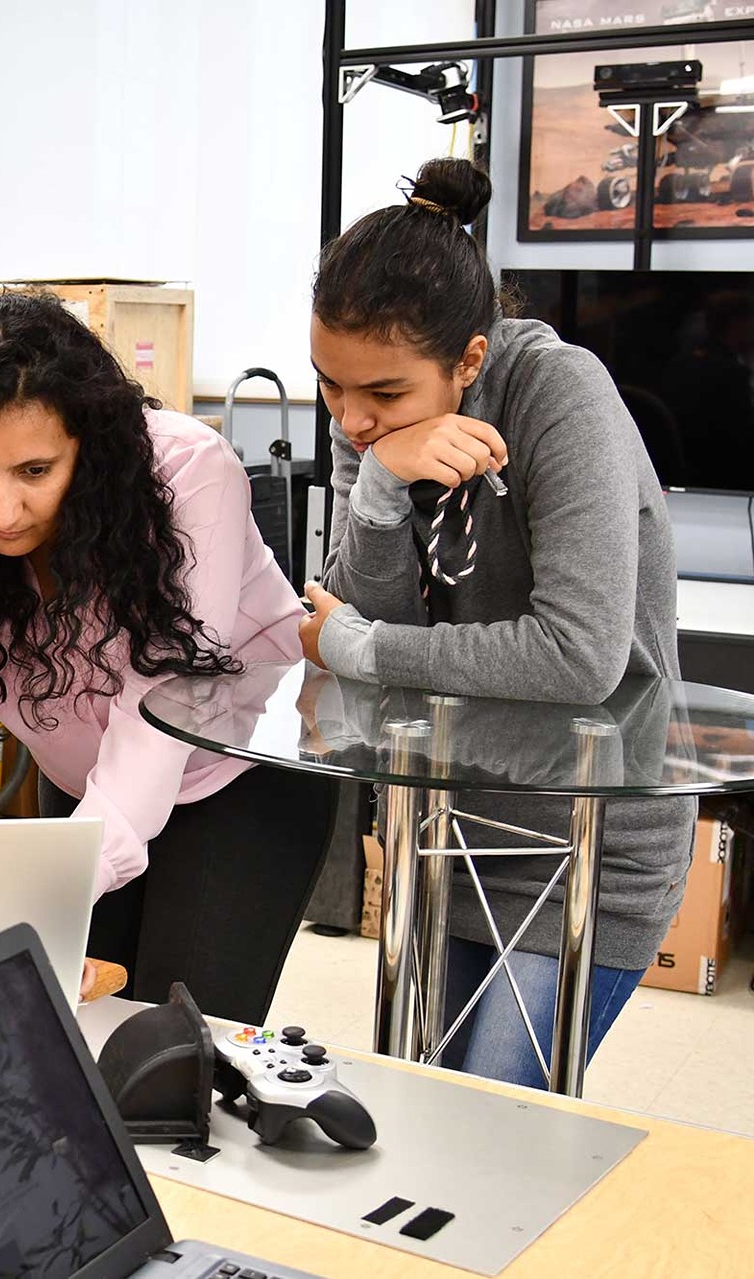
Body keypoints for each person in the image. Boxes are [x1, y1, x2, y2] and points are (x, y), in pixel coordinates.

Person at [302, 156, 696, 1088]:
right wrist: (384, 487)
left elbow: (578, 656)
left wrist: (361, 645)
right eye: (329, 385)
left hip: (587, 843)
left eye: (383, 395)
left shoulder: (561, 393)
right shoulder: (368, 411)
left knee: (489, 1142)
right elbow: (367, 597)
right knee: (416, 1119)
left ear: (470, 359)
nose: (351, 417)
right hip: (443, 828)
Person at [0, 291, 335, 1025]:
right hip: (85, 783)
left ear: (88, 443)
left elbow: (165, 706)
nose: (5, 511)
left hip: (233, 776)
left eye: (35, 471)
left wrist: (47, 887)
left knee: (171, 1054)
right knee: (66, 1033)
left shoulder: (187, 476)